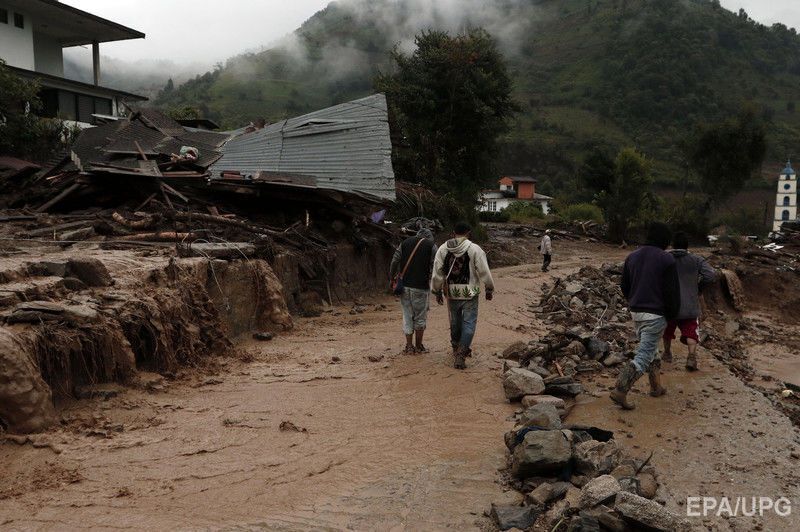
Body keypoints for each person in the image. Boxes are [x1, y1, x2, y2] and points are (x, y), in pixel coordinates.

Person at [611, 222, 681, 410]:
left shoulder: (632, 256)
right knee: (643, 355)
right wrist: (673, 314)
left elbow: (624, 285)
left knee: (651, 350)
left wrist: (634, 300)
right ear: (665, 240)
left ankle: (656, 386)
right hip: (656, 314)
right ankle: (621, 389)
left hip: (636, 311)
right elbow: (671, 292)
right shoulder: (666, 260)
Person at [431, 222, 495, 369]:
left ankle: (455, 347)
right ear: (468, 233)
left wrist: (437, 290)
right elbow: (484, 271)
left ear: (453, 233)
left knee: (455, 321)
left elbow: (437, 272)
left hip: (451, 293)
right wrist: (489, 288)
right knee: (469, 323)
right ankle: (462, 352)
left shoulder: (443, 248)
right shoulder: (474, 249)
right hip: (470, 292)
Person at [662, 231, 717, 371]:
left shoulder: (665, 258)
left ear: (673, 245)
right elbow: (710, 275)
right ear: (687, 246)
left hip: (669, 304)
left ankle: (667, 353)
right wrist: (699, 288)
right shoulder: (697, 259)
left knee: (667, 331)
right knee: (691, 331)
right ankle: (691, 357)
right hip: (690, 304)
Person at [390, 228, 437, 354]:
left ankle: (409, 347)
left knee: (407, 316)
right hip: (421, 287)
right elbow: (437, 266)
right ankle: (419, 346)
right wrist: (437, 285)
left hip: (404, 286)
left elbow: (394, 261)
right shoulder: (431, 246)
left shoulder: (405, 243)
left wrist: (391, 277)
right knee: (420, 317)